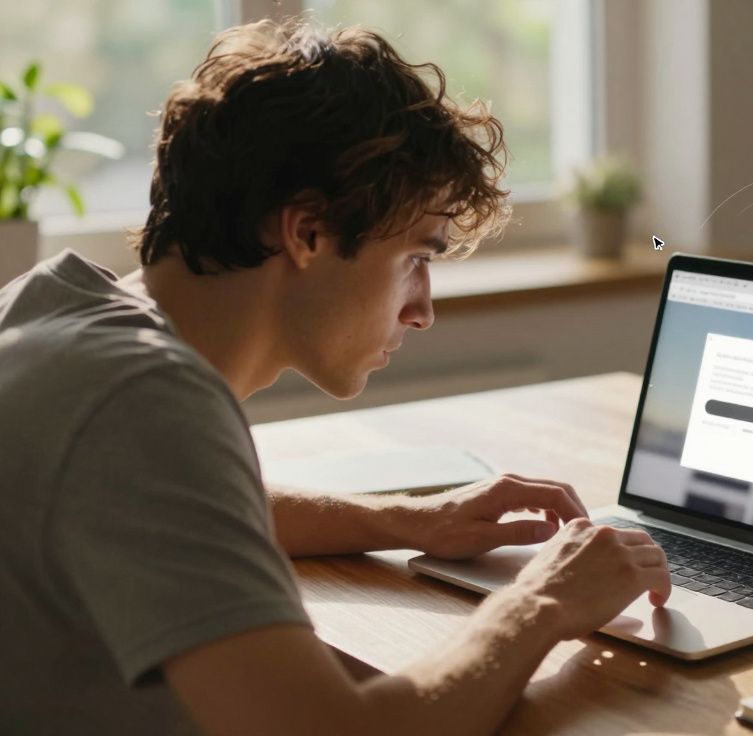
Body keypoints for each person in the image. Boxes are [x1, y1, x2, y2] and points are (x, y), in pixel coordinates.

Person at [0, 18, 670, 736]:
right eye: (416, 257)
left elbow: (194, 507)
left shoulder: (57, 307)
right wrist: (543, 602)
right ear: (307, 233)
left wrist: (409, 518)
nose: (422, 312)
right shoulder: (143, 402)